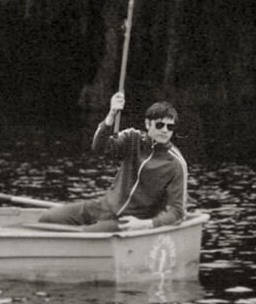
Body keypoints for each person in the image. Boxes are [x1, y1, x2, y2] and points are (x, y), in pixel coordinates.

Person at [38, 92, 187, 232]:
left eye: (170, 127)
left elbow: (177, 212)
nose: (165, 130)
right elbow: (99, 148)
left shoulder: (176, 163)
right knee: (47, 218)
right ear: (148, 124)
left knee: (86, 235)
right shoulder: (132, 137)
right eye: (160, 125)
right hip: (104, 207)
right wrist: (111, 115)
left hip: (129, 221)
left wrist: (145, 225)